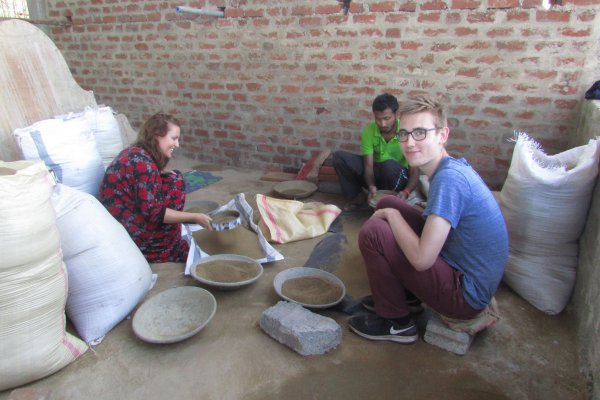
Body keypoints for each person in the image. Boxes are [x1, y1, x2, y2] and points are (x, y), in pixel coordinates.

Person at [348, 95, 509, 344]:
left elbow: (422, 260)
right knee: (389, 202)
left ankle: (396, 323)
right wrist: (391, 211)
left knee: (375, 231)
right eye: (404, 134)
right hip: (460, 268)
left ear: (442, 135)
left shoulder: (449, 180)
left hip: (465, 296)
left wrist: (391, 217)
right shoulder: (448, 168)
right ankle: (409, 297)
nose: (409, 142)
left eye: (420, 133)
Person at [99, 112, 212, 263]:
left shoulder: (137, 153)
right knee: (175, 184)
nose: (177, 145)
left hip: (125, 213)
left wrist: (158, 171)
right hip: (126, 230)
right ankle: (164, 249)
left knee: (174, 178)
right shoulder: (143, 165)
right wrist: (194, 217)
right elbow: (155, 212)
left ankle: (170, 238)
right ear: (157, 135)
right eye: (174, 138)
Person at [332, 93, 420, 211]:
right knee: (339, 157)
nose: (382, 124)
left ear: (396, 114)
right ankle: (358, 197)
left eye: (387, 118)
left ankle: (388, 202)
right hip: (377, 172)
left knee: (388, 166)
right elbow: (368, 167)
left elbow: (415, 171)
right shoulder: (369, 131)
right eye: (378, 119)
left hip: (397, 176)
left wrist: (406, 192)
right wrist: (371, 186)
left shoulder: (406, 132)